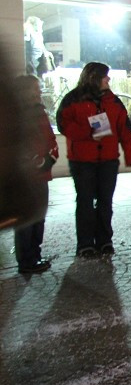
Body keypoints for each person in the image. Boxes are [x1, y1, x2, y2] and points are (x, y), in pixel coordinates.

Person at [57, 61, 131, 257]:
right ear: (94, 78)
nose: (108, 79)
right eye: (105, 76)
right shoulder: (72, 99)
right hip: (82, 160)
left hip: (108, 160)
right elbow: (63, 125)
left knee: (105, 202)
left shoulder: (114, 101)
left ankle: (104, 240)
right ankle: (85, 244)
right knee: (84, 202)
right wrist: (88, 132)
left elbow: (125, 130)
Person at [14, 75, 58, 273]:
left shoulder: (39, 112)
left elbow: (48, 137)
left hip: (41, 172)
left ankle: (35, 255)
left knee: (38, 215)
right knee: (27, 218)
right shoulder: (15, 114)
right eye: (35, 88)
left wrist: (50, 157)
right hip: (25, 175)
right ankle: (26, 260)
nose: (39, 91)